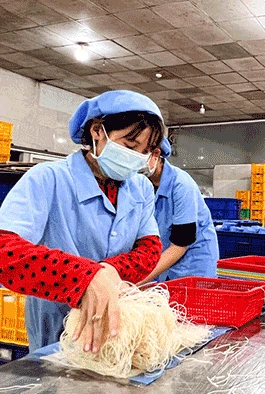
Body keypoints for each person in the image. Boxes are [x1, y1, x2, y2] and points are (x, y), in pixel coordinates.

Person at [0, 90, 165, 352]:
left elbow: (150, 248)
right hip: (57, 328)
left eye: (144, 152)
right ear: (97, 131)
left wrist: (108, 271)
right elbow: (5, 251)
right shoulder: (49, 178)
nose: (135, 159)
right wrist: (83, 277)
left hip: (117, 325)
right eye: (130, 147)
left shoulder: (141, 188)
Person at [136, 139, 219, 285]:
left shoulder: (181, 184)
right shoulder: (142, 184)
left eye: (139, 154)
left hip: (193, 264)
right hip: (167, 261)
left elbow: (180, 244)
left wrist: (140, 280)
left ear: (156, 154)